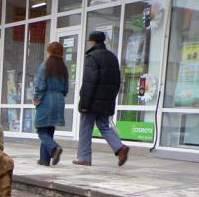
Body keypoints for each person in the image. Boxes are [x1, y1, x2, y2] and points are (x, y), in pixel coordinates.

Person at [74, 31, 129, 166]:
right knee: (104, 125)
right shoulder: (112, 57)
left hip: (92, 101)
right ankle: (119, 147)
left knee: (86, 127)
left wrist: (84, 103)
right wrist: (110, 98)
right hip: (106, 100)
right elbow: (117, 81)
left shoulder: (92, 57)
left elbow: (89, 82)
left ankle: (84, 157)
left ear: (93, 42)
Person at [33, 42, 68, 166]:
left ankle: (54, 148)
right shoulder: (63, 68)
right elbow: (66, 89)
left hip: (46, 99)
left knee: (41, 129)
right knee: (49, 129)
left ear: (49, 51)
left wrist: (36, 99)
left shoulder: (45, 66)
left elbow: (40, 85)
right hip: (59, 100)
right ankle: (44, 160)